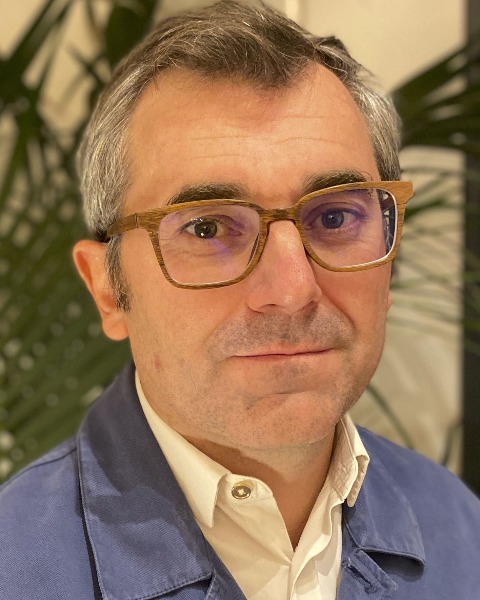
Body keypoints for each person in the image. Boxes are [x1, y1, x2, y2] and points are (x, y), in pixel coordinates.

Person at [1, 1, 479, 598]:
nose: (292, 291)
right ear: (109, 290)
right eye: (207, 228)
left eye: (334, 216)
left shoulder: (460, 529)